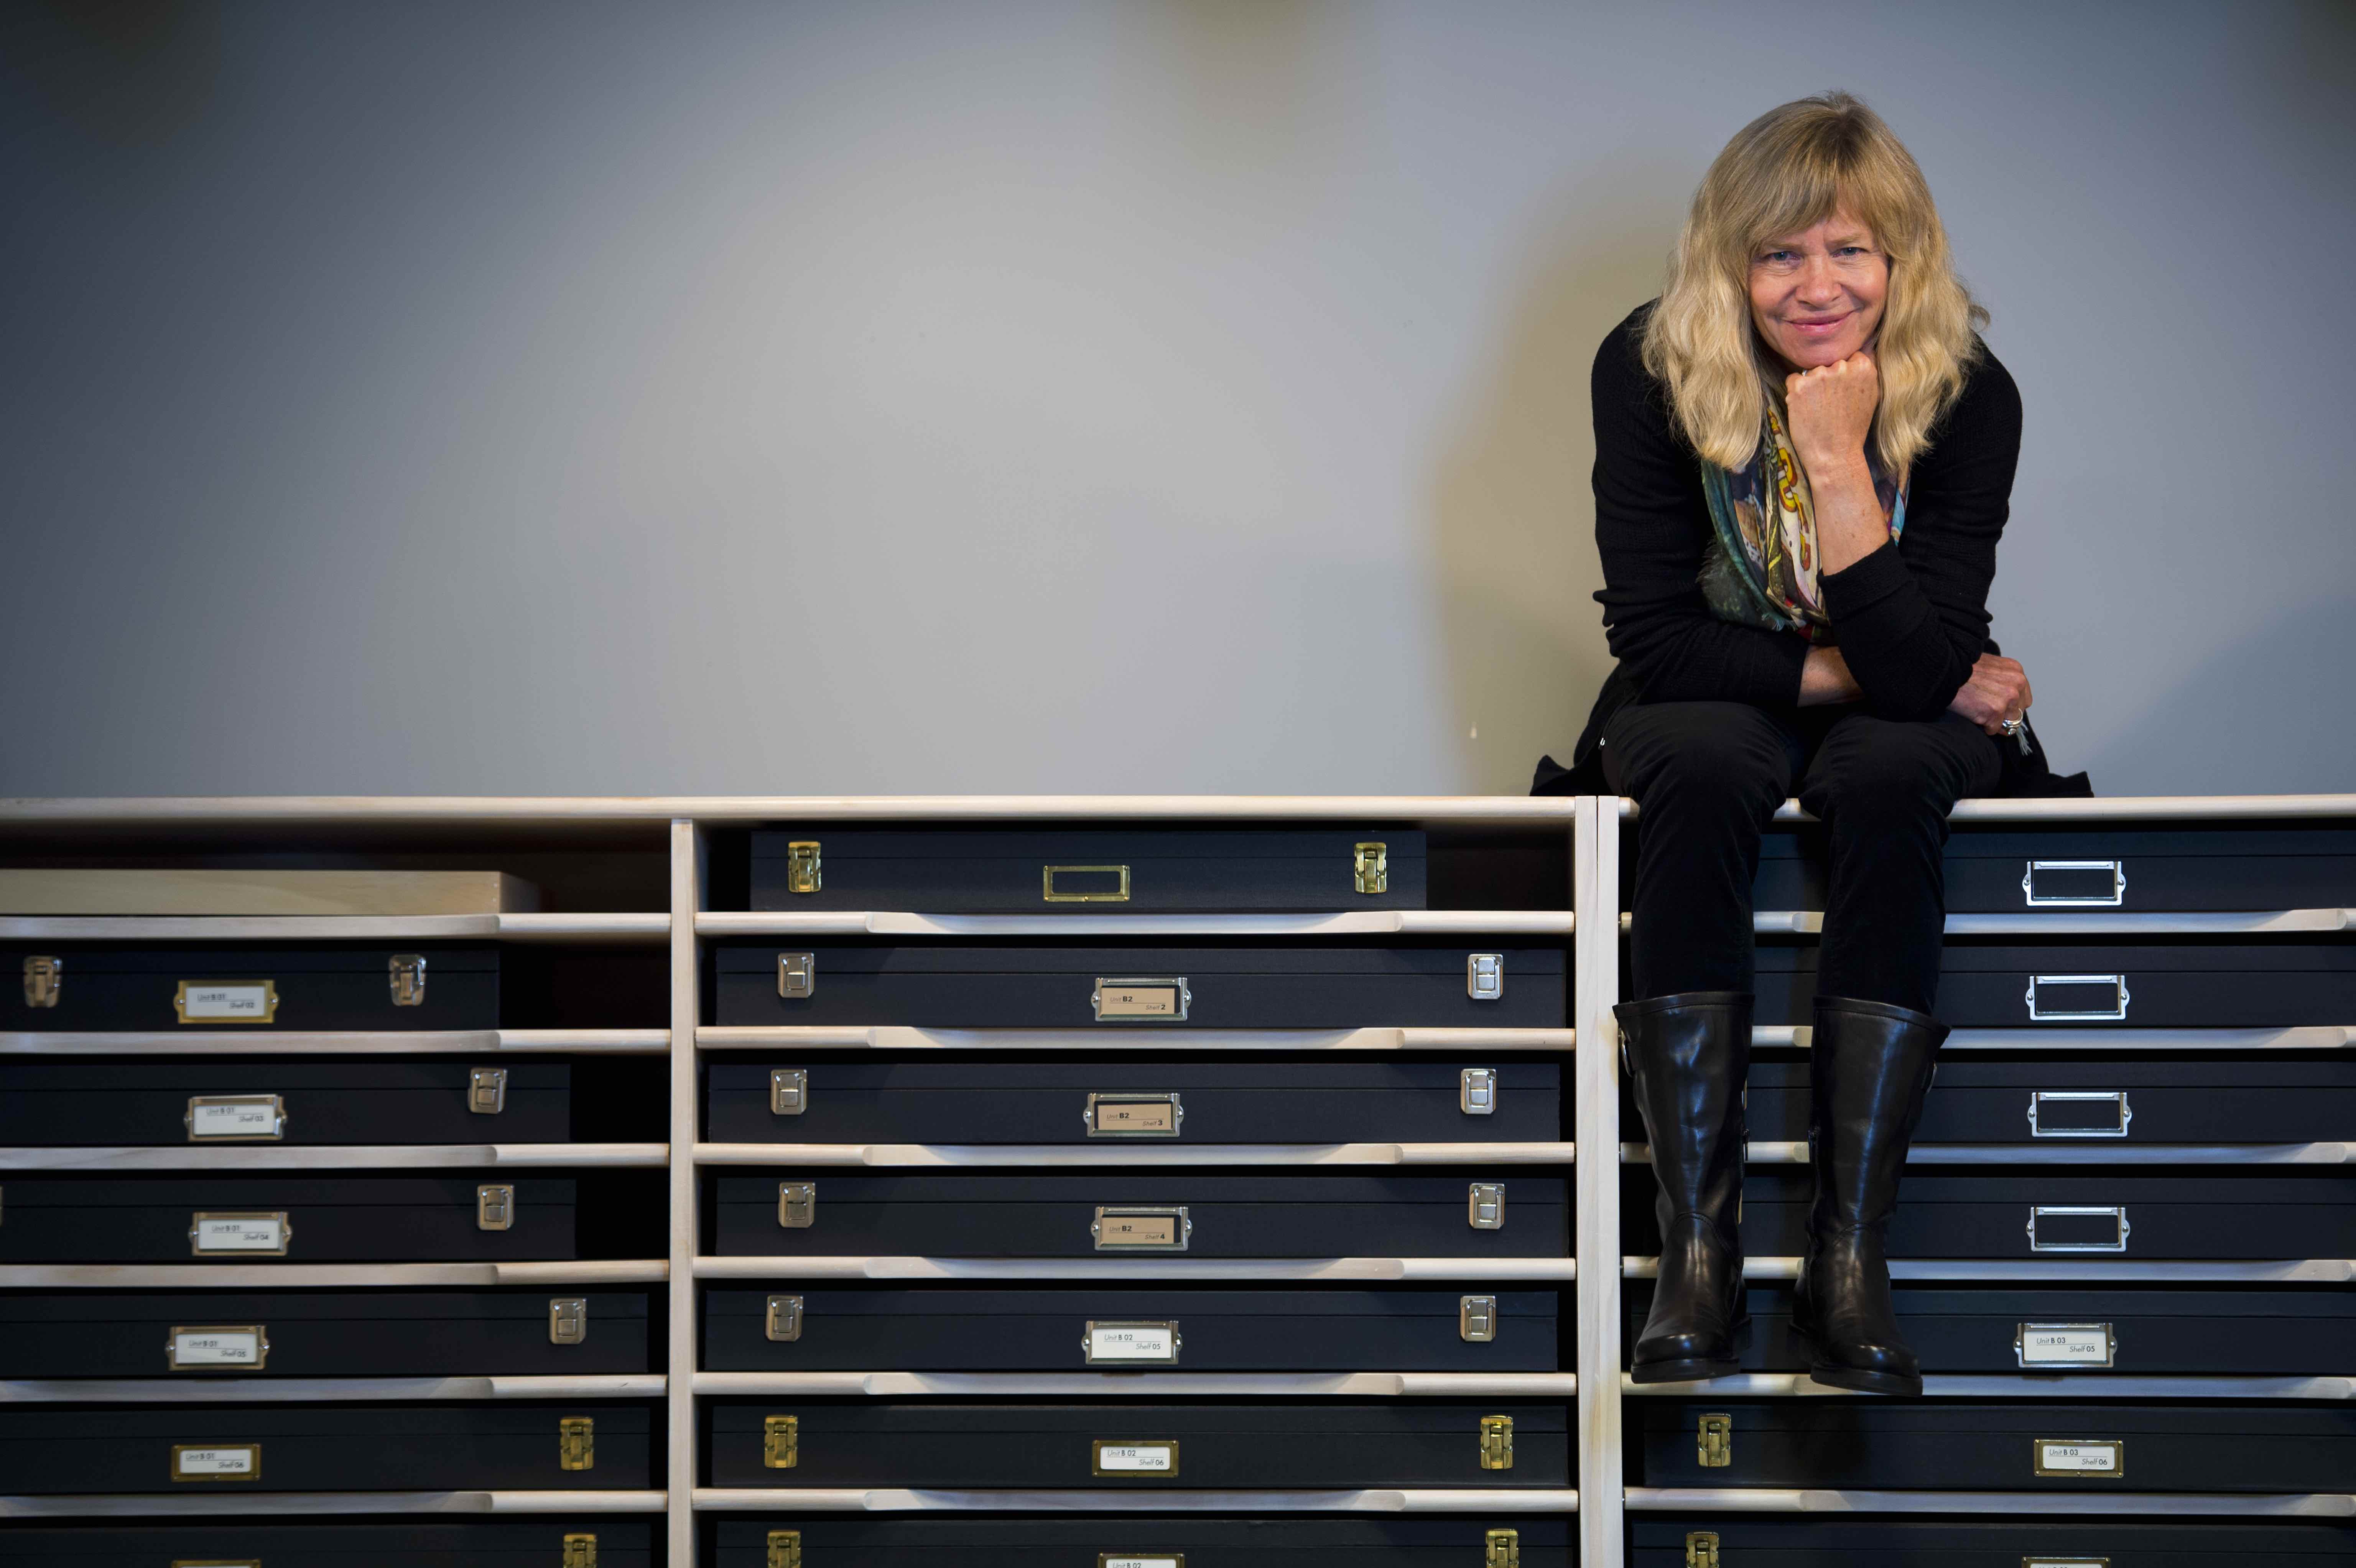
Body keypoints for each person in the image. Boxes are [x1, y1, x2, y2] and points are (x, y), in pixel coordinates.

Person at [1532, 92, 2088, 1397]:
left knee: (1895, 769)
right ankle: (1698, 1254)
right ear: (1729, 261)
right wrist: (1876, 669)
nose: (1817, 286)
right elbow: (1656, 638)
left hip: (1895, 710)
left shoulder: (1969, 392)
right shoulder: (1650, 367)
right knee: (1701, 760)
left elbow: (1918, 685)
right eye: (1779, 253)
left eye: (1849, 250)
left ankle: (1850, 1260)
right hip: (1714, 693)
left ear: (1903, 257)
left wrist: (1837, 463)